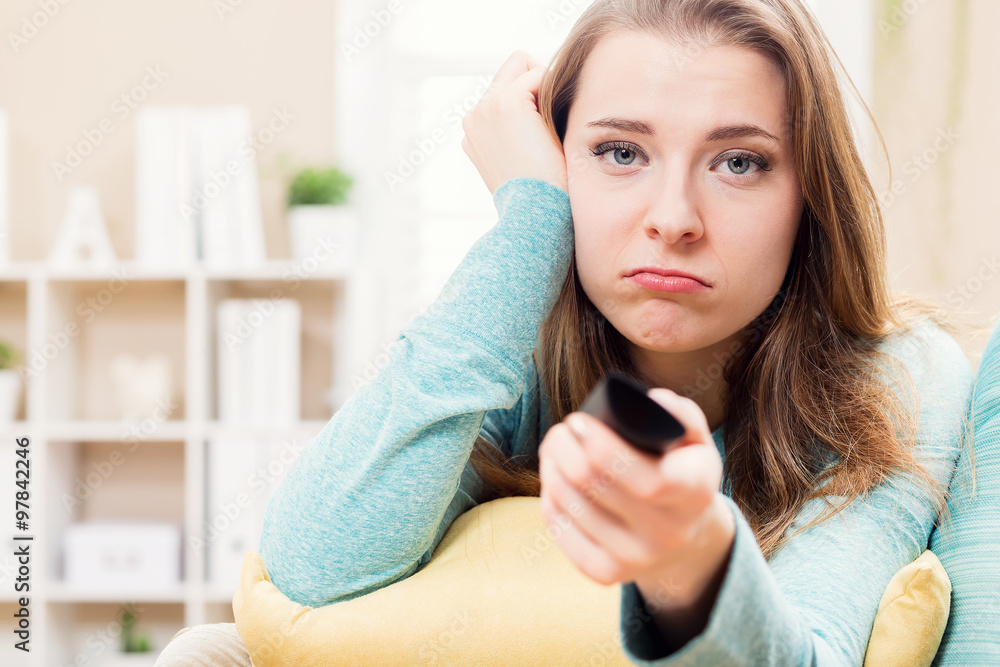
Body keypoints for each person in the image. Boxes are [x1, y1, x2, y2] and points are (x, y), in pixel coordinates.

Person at [154, 0, 975, 664]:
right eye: (621, 152)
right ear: (557, 162)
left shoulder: (897, 377)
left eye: (739, 162)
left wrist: (688, 558)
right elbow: (309, 575)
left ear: (810, 198)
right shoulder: (510, 350)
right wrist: (531, 228)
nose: (673, 219)